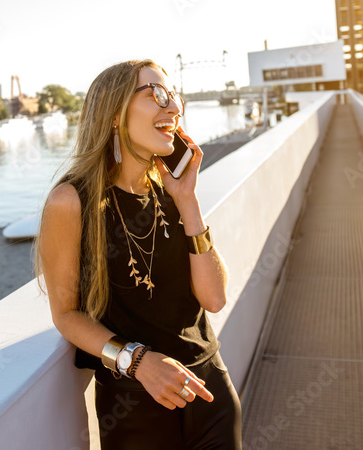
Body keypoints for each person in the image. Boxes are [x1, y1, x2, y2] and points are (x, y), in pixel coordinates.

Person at [36, 59, 242, 449]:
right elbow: (66, 314)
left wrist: (188, 201)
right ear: (115, 113)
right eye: (157, 95)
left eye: (173, 95)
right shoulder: (71, 202)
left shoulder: (171, 190)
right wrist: (139, 360)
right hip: (135, 405)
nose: (174, 107)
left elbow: (214, 298)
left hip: (210, 387)